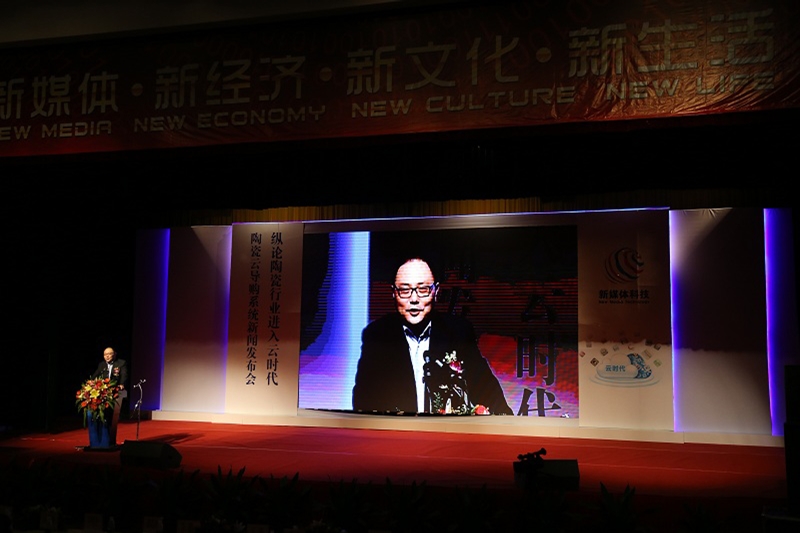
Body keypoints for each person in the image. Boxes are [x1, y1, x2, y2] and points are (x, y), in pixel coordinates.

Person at [352, 258, 512, 414]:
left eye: (423, 290)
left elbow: (488, 392)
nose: (414, 299)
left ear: (436, 291)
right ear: (394, 293)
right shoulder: (377, 335)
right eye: (405, 290)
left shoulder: (458, 332)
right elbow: (363, 402)